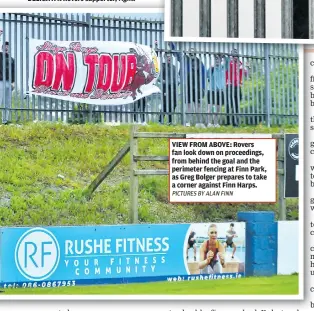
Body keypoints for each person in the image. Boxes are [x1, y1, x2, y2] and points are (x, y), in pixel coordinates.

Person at [171, 43, 206, 126]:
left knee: (198, 105)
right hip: (187, 85)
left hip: (197, 86)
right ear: (187, 53)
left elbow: (203, 75)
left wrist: (203, 88)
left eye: (193, 52)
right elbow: (176, 52)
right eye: (190, 52)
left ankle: (199, 122)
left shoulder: (199, 62)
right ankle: (188, 122)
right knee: (189, 105)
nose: (191, 54)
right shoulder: (184, 59)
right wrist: (171, 44)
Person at [225, 48, 249, 127]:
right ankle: (228, 122)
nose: (235, 56)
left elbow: (245, 73)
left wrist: (247, 69)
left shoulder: (240, 64)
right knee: (229, 104)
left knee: (237, 104)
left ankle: (236, 122)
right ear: (231, 55)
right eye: (233, 54)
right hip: (230, 85)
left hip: (237, 86)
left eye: (236, 54)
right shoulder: (228, 62)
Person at [207, 53, 226, 127]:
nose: (217, 60)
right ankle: (209, 123)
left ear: (221, 60)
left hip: (220, 91)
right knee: (210, 108)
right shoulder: (211, 68)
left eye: (218, 59)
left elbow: (227, 62)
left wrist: (223, 56)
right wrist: (211, 68)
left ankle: (215, 123)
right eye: (216, 59)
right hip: (211, 90)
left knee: (217, 109)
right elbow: (207, 76)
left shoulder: (223, 67)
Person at [159, 51, 178, 125]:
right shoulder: (162, 66)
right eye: (167, 56)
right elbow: (158, 77)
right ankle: (161, 120)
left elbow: (177, 77)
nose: (169, 57)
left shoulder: (174, 67)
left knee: (174, 103)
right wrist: (163, 81)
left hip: (174, 87)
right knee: (165, 103)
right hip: (166, 87)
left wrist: (178, 81)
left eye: (170, 56)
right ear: (164, 58)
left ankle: (169, 121)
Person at [0, 41, 15, 124]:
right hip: (0, 81)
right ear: (2, 48)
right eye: (5, 47)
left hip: (9, 82)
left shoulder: (12, 59)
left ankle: (5, 121)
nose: (6, 48)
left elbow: (13, 72)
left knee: (7, 103)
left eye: (8, 47)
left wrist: (13, 82)